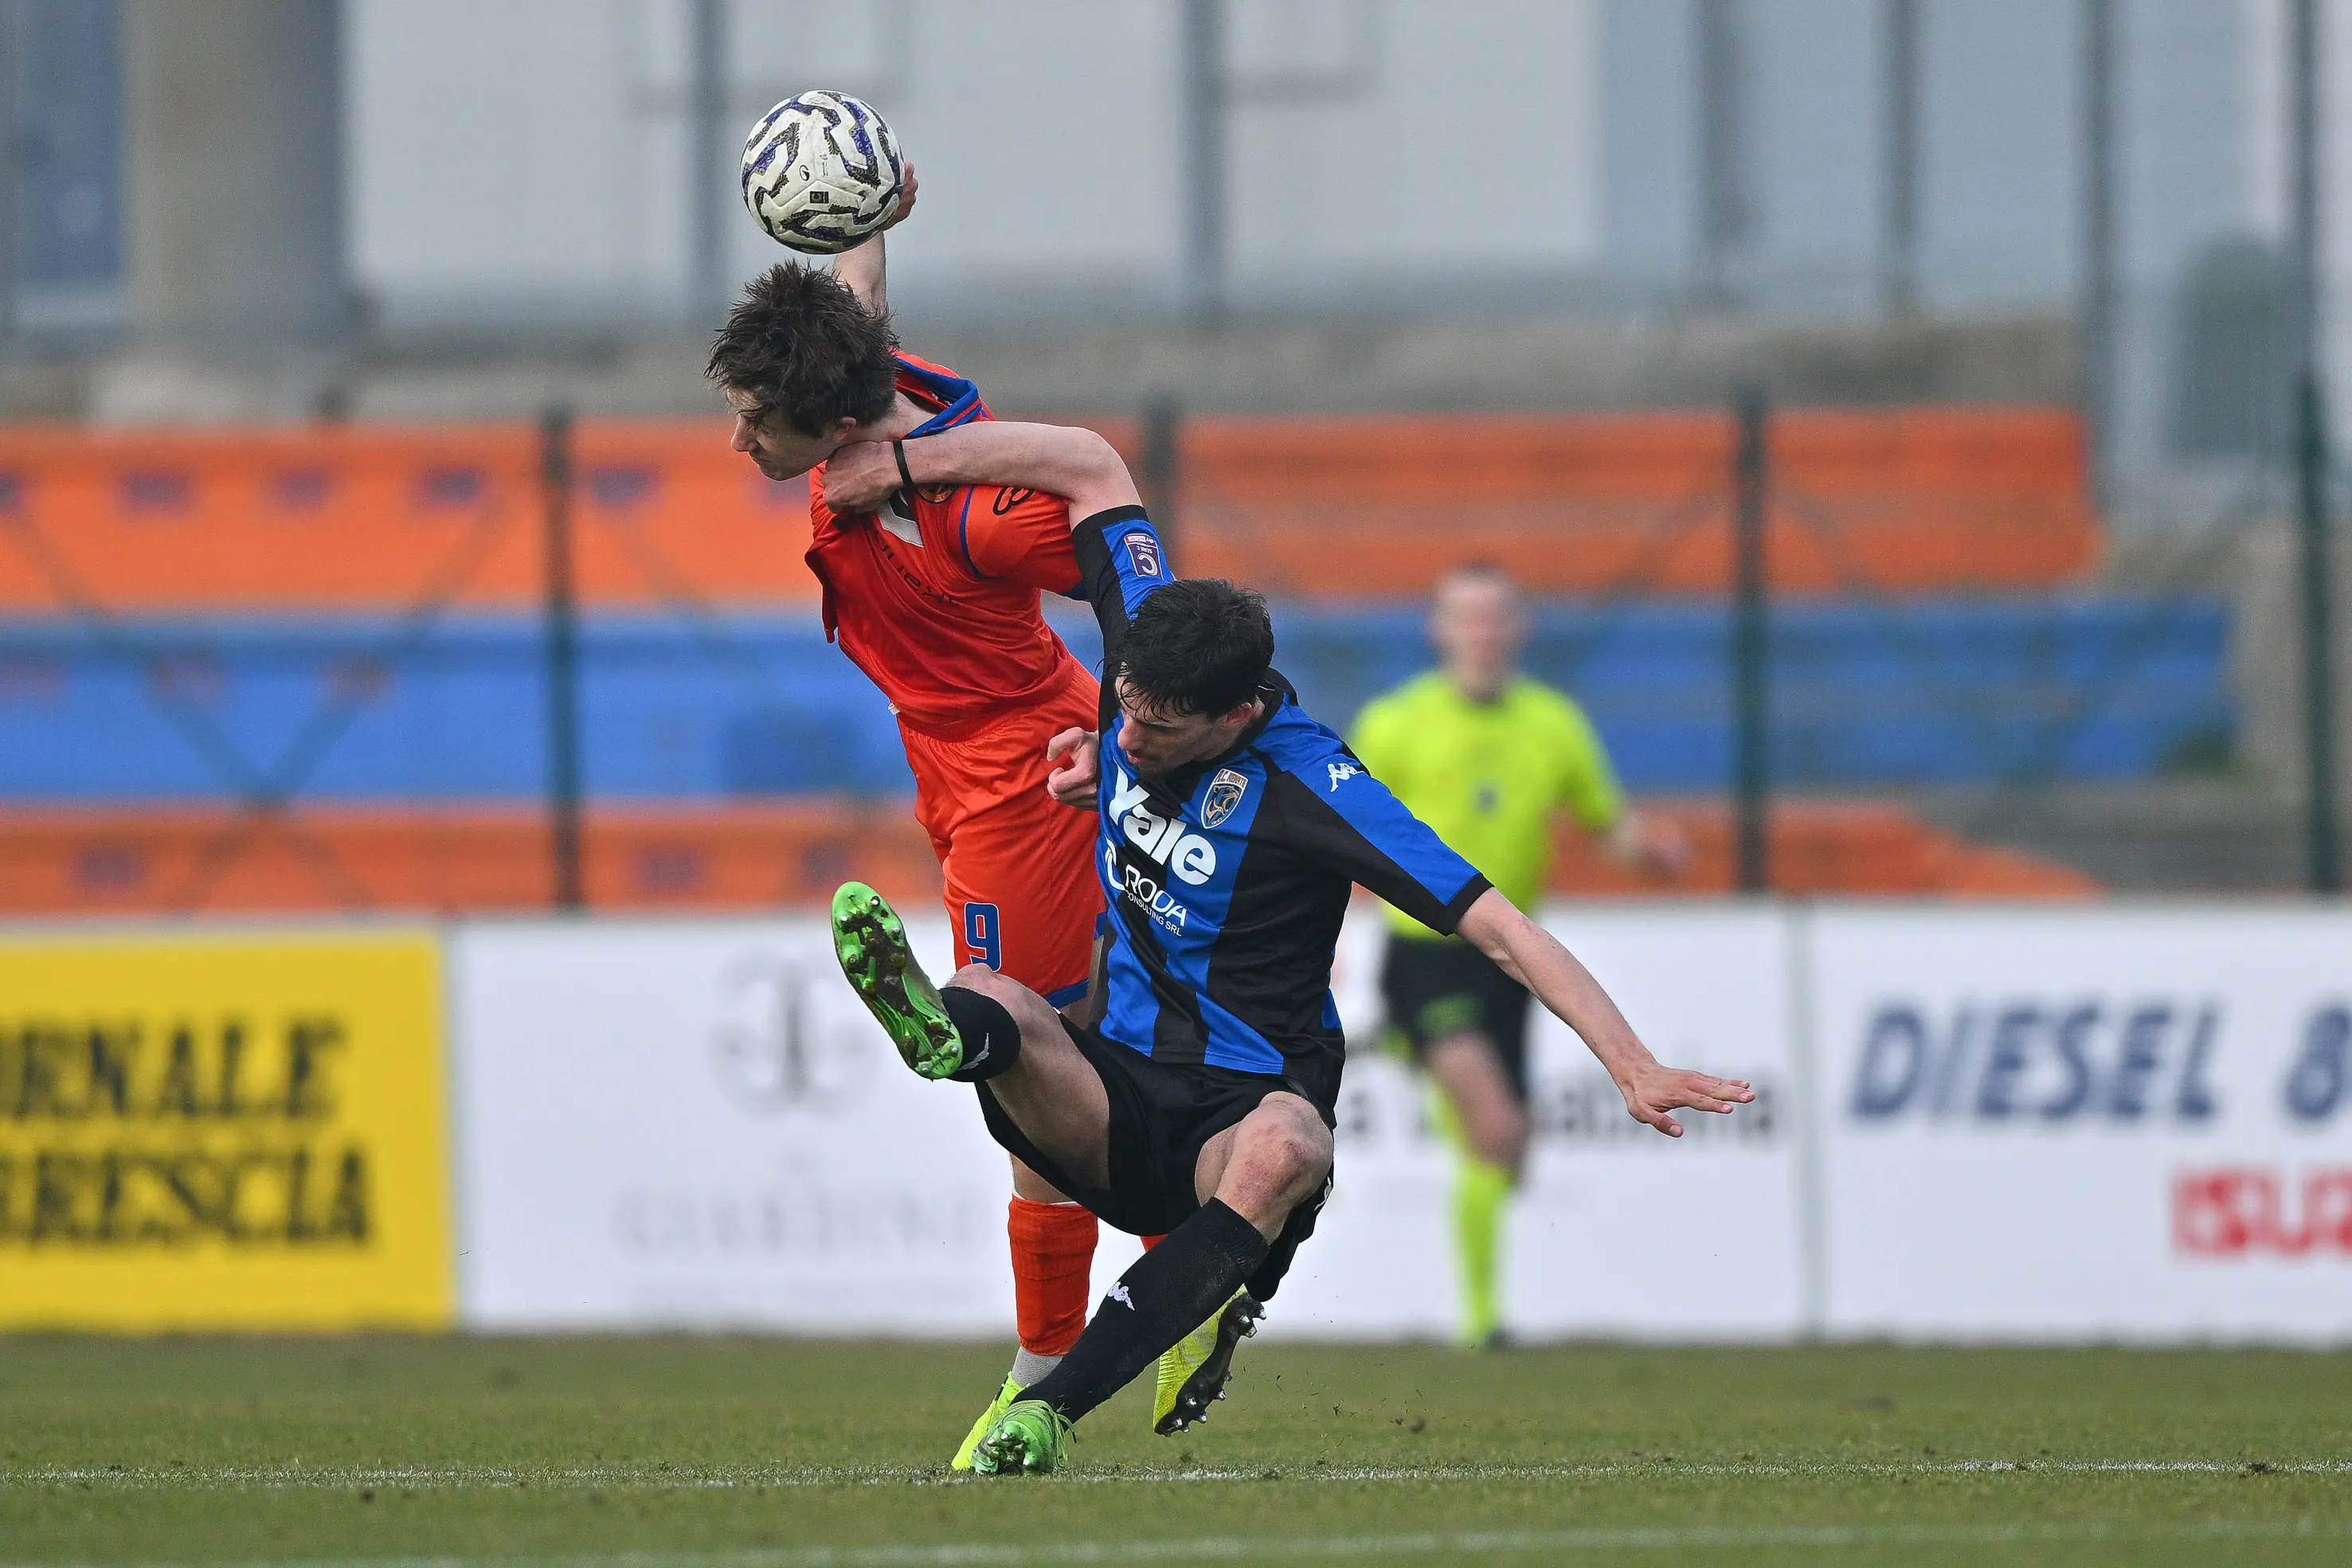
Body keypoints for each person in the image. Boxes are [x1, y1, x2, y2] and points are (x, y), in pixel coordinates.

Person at [817, 422, 1753, 1475]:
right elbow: (1091, 466)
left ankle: (1048, 1414)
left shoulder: (1313, 786)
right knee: (1001, 987)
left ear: (1236, 715)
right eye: (1120, 713)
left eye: (1159, 733)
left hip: (1236, 1110)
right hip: (1115, 1090)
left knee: (1291, 1150)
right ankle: (945, 1036)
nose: (1129, 739)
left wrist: (1631, 1063)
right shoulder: (1147, 657)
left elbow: (1501, 927)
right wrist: (894, 463)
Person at [706, 172, 1122, 1468]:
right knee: (1073, 1064)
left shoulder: (981, 514)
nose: (738, 446)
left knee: (1025, 1066)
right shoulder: (864, 398)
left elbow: (1128, 556)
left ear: (827, 420)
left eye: (753, 424)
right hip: (949, 770)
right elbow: (855, 314)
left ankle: (1048, 1367)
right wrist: (864, 213)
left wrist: (1117, 726)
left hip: (1021, 784)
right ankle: (1156, 1271)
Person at [1351, 564, 1690, 1348]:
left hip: (1512, 958)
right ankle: (1481, 1325)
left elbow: (1606, 820)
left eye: (1497, 616)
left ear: (1519, 627)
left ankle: (1481, 1307)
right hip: (1423, 951)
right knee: (1494, 1127)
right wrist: (1324, 936)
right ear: (1440, 629)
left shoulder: (1553, 723)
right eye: (1468, 616)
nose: (1484, 631)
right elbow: (1344, 836)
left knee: (1508, 1155)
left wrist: (1652, 850)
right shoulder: (1394, 722)